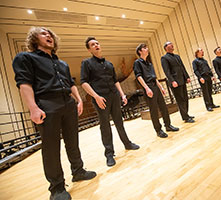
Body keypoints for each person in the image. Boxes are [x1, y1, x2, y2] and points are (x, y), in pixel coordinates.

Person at [12, 27, 96, 200]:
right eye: (43, 33)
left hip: (68, 102)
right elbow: (24, 83)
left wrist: (79, 100)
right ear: (34, 39)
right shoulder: (26, 58)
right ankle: (57, 188)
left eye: (50, 34)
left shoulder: (62, 63)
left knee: (73, 141)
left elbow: (70, 83)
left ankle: (78, 171)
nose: (48, 35)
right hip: (47, 104)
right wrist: (33, 108)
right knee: (51, 148)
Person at [80, 37, 139, 167]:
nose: (96, 45)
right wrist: (96, 97)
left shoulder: (109, 64)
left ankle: (127, 144)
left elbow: (115, 81)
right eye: (92, 44)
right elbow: (84, 82)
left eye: (97, 43)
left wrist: (122, 95)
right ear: (89, 49)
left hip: (114, 96)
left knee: (119, 121)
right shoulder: (86, 63)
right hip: (101, 98)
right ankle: (109, 154)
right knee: (105, 126)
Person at [133, 44, 179, 138]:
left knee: (163, 107)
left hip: (155, 86)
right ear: (140, 51)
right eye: (145, 48)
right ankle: (158, 130)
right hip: (148, 87)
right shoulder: (137, 63)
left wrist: (161, 87)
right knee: (154, 110)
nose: (147, 49)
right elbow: (139, 76)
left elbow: (154, 77)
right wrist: (146, 88)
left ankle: (168, 125)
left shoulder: (149, 64)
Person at [161, 41, 194, 123]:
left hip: (182, 80)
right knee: (180, 99)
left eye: (172, 45)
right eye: (170, 45)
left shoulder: (177, 56)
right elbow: (167, 71)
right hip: (175, 82)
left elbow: (182, 67)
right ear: (166, 48)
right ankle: (185, 117)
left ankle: (186, 114)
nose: (172, 46)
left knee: (185, 98)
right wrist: (172, 81)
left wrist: (187, 77)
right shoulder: (164, 58)